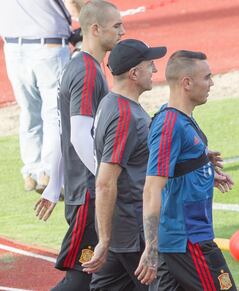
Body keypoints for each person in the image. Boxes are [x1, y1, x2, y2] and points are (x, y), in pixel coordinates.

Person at [35, 1, 125, 290]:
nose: (122, 31)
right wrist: (106, 177)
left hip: (84, 189)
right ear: (95, 29)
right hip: (89, 194)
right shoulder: (86, 71)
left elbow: (65, 131)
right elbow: (77, 134)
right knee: (81, 277)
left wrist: (55, 184)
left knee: (107, 272)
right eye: (117, 26)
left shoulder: (83, 65)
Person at [135, 50, 237, 291]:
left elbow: (176, 170)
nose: (211, 83)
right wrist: (150, 248)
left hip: (182, 238)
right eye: (207, 77)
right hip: (188, 239)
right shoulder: (169, 125)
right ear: (187, 83)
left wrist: (205, 172)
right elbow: (152, 188)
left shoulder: (181, 119)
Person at [81, 39, 167, 291]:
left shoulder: (111, 103)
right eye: (150, 64)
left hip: (121, 232)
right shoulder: (124, 115)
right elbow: (106, 181)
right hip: (132, 233)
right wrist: (104, 240)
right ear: (134, 73)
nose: (154, 70)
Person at [0, 0, 84, 193]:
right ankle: (50, 172)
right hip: (49, 45)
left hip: (13, 46)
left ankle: (31, 170)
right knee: (54, 112)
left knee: (29, 110)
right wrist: (87, 21)